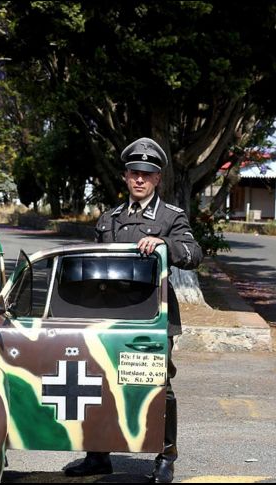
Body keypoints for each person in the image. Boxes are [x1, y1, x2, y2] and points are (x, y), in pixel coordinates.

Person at [64, 138, 203, 483]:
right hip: (109, 316)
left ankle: (165, 456)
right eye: (133, 173)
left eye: (147, 174)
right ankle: (98, 455)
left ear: (157, 180)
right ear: (125, 177)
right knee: (98, 381)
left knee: (158, 386)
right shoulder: (109, 218)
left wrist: (165, 244)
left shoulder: (172, 217)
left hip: (151, 319)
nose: (139, 179)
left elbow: (194, 254)